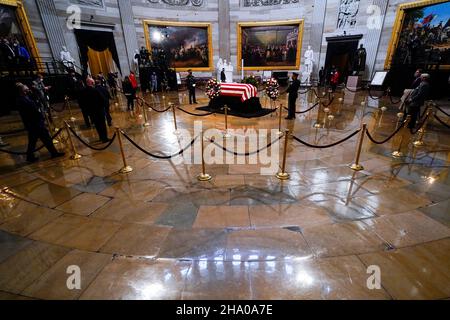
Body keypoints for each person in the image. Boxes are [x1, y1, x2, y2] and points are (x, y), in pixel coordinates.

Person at [15, 83, 65, 163]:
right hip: (34, 123)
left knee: (41, 139)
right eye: (27, 89)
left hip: (35, 123)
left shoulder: (25, 98)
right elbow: (32, 110)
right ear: (23, 91)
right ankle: (50, 153)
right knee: (39, 139)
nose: (28, 90)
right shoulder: (22, 100)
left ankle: (51, 153)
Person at [84, 78, 110, 142]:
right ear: (91, 83)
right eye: (93, 83)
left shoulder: (84, 91)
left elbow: (83, 102)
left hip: (91, 112)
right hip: (99, 111)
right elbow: (102, 99)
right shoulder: (95, 90)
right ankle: (104, 138)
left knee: (97, 125)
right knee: (102, 125)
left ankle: (101, 137)